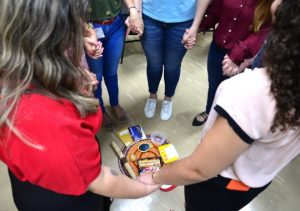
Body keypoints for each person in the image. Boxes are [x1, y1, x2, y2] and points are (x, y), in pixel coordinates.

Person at [139, 0, 300, 210]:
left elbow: (198, 170)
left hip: (219, 185)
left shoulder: (249, 92)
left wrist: (155, 176)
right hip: (255, 182)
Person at [0, 1, 159, 211]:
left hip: (29, 181)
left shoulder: (16, 69)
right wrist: (143, 187)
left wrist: (72, 77)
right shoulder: (55, 122)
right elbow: (100, 180)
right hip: (64, 199)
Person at [192, 0, 273, 126]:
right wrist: (198, 27)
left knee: (233, 92)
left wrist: (237, 56)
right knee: (213, 85)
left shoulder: (269, 3)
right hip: (218, 47)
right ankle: (209, 112)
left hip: (243, 58)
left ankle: (223, 122)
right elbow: (216, 11)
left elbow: (260, 34)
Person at [133, 0, 211, 121]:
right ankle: (152, 96)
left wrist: (195, 26)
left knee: (172, 66)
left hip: (183, 19)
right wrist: (137, 14)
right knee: (154, 64)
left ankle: (168, 98)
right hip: (150, 16)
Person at [86, 0, 143, 130]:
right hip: (91, 26)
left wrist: (133, 9)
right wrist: (86, 30)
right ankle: (100, 109)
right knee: (96, 76)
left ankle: (114, 104)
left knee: (111, 71)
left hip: (116, 25)